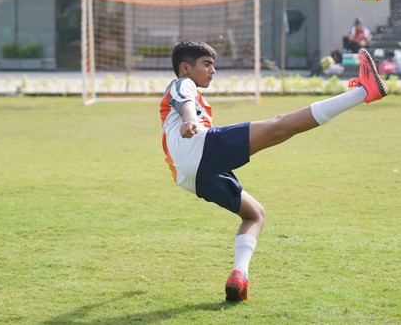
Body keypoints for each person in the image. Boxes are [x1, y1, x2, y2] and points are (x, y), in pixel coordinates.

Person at [160, 40, 387, 303]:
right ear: (185, 68)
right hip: (197, 150)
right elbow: (184, 100)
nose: (213, 70)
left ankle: (239, 275)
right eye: (207, 64)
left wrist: (191, 119)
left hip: (189, 175)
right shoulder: (181, 84)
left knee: (254, 214)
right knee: (279, 126)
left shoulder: (193, 92)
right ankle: (363, 91)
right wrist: (189, 118)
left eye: (214, 65)